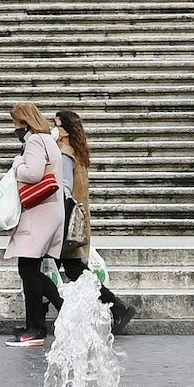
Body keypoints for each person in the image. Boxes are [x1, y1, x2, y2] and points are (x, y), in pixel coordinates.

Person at [52, 107, 138, 334]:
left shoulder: (64, 151)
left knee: (67, 270)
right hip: (78, 215)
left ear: (67, 130)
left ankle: (117, 306)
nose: (54, 129)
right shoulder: (78, 150)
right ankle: (116, 307)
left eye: (58, 125)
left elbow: (65, 188)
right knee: (68, 269)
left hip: (66, 217)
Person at [0, 103, 68, 345]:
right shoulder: (48, 139)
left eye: (16, 122)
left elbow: (33, 173)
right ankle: (40, 320)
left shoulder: (35, 141)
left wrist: (17, 163)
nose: (14, 127)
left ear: (24, 122)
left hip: (40, 212)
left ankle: (38, 327)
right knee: (30, 269)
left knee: (28, 269)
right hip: (49, 211)